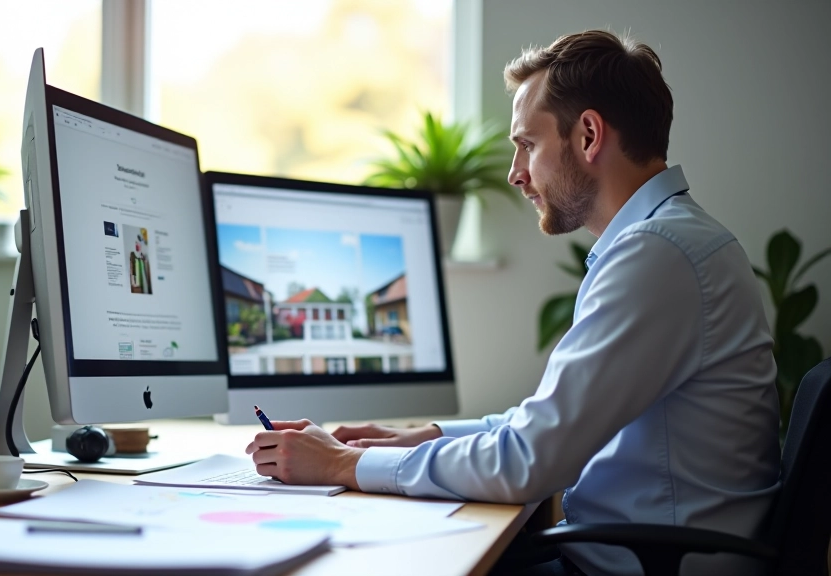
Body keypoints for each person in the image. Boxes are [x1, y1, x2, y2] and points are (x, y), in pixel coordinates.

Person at [245, 30, 781, 576]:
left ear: (589, 135)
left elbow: (527, 460)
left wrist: (342, 463)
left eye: (527, 143)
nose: (515, 173)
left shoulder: (657, 254)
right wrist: (425, 435)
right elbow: (543, 426)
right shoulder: (667, 241)